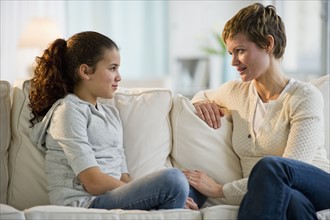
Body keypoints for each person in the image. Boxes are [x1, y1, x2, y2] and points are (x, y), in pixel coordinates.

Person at [184, 3, 330, 219]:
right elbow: (201, 96)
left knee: (273, 167)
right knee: (291, 202)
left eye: (240, 51)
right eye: (231, 53)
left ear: (268, 44)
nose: (233, 61)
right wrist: (202, 104)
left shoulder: (304, 96)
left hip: (317, 185)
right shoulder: (235, 92)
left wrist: (219, 190)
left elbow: (293, 166)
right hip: (282, 196)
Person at [28, 31, 202, 210]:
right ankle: (171, 203)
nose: (119, 77)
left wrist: (148, 194)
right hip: (87, 202)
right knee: (172, 180)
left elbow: (124, 177)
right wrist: (155, 194)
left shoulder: (110, 113)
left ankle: (171, 203)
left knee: (194, 187)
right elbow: (93, 182)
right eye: (112, 68)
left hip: (114, 196)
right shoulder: (68, 111)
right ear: (86, 72)